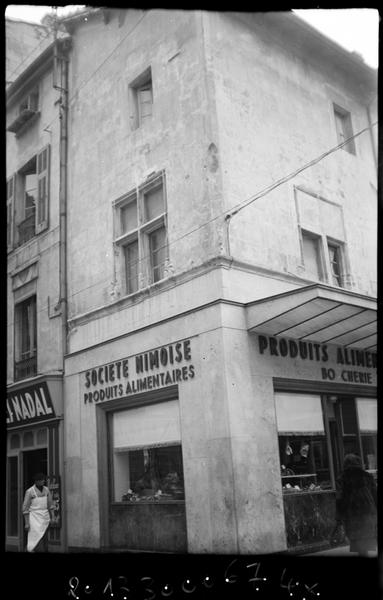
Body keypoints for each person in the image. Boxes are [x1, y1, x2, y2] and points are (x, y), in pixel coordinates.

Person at [335, 454, 377, 556]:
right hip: (368, 513)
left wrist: (339, 518)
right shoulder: (367, 476)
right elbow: (375, 495)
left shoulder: (342, 478)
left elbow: (340, 499)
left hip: (353, 515)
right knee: (366, 539)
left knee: (358, 542)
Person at [22, 473, 55, 552]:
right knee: (35, 538)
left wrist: (53, 517)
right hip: (34, 518)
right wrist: (27, 523)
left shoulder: (46, 490)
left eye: (43, 480)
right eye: (41, 480)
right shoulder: (30, 491)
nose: (43, 481)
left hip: (45, 517)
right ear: (36, 481)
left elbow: (51, 504)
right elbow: (25, 508)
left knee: (45, 538)